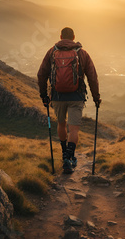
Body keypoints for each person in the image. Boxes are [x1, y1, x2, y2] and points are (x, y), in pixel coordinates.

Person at [38, 27, 100, 173]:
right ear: (74, 37)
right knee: (74, 129)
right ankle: (69, 157)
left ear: (60, 37)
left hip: (57, 96)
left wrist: (44, 96)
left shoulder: (52, 52)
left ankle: (64, 154)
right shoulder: (82, 53)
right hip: (76, 96)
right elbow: (92, 77)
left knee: (61, 124)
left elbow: (41, 74)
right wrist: (96, 98)